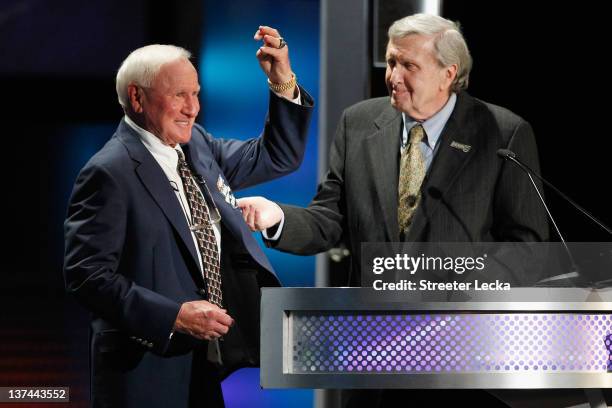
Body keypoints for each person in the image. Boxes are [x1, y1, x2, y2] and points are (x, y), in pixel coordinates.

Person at [238, 14, 548, 407]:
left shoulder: (502, 134)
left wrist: (454, 288)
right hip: (374, 360)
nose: (393, 76)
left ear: (448, 73)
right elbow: (330, 219)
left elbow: (527, 247)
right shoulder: (360, 123)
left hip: (461, 363)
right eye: (391, 62)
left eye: (409, 66)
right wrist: (277, 217)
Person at [63, 26, 313, 408]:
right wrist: (173, 316)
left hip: (205, 362)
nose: (192, 108)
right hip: (147, 369)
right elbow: (87, 276)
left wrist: (281, 82)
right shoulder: (108, 172)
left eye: (195, 94)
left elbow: (276, 156)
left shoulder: (195, 143)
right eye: (179, 95)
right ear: (137, 97)